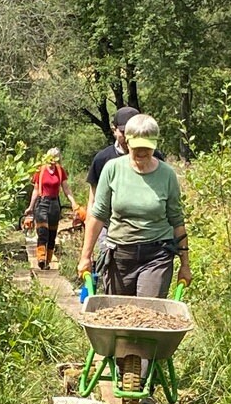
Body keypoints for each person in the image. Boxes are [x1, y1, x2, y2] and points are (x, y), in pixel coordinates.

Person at [78, 113, 192, 298]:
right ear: (127, 142)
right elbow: (98, 216)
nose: (141, 152)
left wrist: (185, 265)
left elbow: (177, 221)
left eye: (146, 148)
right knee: (120, 317)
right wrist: (86, 256)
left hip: (157, 254)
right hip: (120, 255)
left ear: (155, 144)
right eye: (136, 146)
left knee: (147, 314)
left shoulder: (167, 175)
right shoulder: (112, 169)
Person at [84, 107, 164, 292]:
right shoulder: (103, 159)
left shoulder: (155, 157)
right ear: (115, 130)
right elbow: (94, 202)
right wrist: (87, 247)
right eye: (123, 131)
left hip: (148, 238)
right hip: (110, 230)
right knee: (110, 274)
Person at [23, 147, 77, 270]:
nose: (53, 162)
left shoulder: (60, 171)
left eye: (55, 159)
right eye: (51, 159)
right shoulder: (40, 171)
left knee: (52, 234)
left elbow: (66, 188)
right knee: (43, 231)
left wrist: (73, 202)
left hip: (55, 203)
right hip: (42, 202)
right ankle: (41, 258)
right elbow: (36, 189)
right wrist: (31, 207)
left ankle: (47, 262)